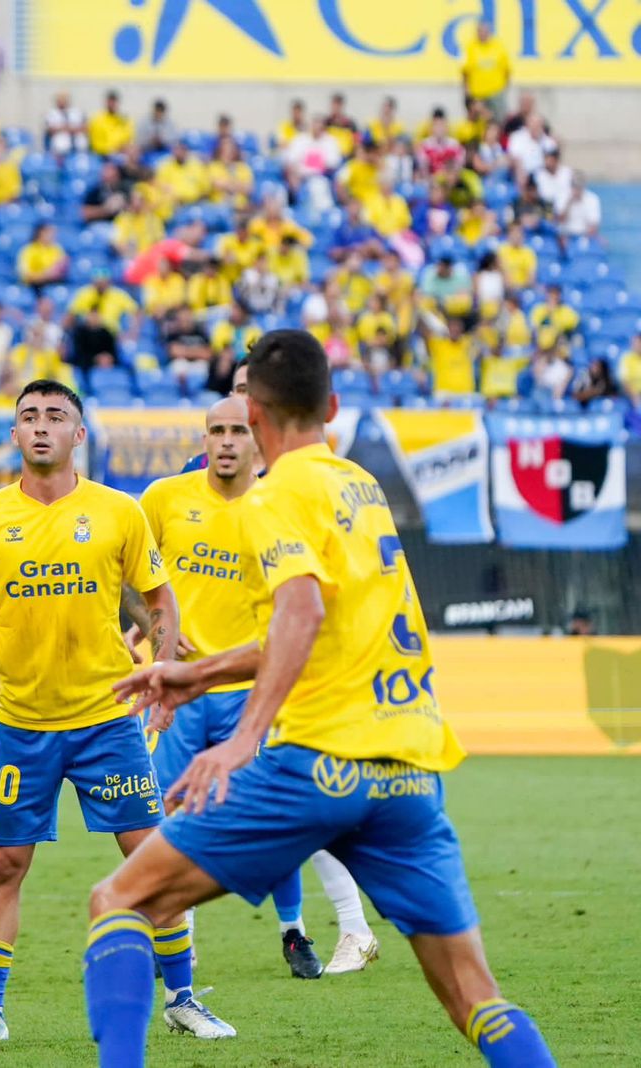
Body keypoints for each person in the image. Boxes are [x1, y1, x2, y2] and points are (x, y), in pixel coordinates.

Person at [86, 330, 556, 1068]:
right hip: (409, 771)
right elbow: (322, 624)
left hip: (319, 763)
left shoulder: (277, 493)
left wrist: (243, 740)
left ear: (254, 416)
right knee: (475, 997)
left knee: (119, 901)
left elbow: (299, 613)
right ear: (332, 408)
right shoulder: (358, 486)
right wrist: (202, 673)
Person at [0, 379, 235, 1045]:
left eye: (56, 416)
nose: (42, 426)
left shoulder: (119, 511)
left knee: (150, 859)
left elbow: (159, 598)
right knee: (4, 865)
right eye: (29, 416)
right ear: (14, 434)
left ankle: (182, 998)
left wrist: (162, 668)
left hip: (107, 720)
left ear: (78, 433)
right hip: (23, 725)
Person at [138, 396, 326, 978]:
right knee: (162, 813)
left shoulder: (280, 507)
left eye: (238, 431)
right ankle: (179, 942)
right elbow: (126, 572)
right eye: (216, 430)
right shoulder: (164, 498)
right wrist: (155, 630)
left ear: (257, 439)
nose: (225, 441)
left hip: (249, 689)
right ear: (204, 438)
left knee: (268, 813)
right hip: (179, 692)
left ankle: (293, 931)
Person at [461, 20, 511, 122]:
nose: (482, 34)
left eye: (485, 31)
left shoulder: (498, 47)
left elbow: (507, 70)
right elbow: (465, 71)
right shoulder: (470, 47)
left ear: (489, 32)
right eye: (480, 31)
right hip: (477, 93)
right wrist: (467, 91)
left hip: (496, 92)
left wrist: (504, 88)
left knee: (499, 119)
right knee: (477, 121)